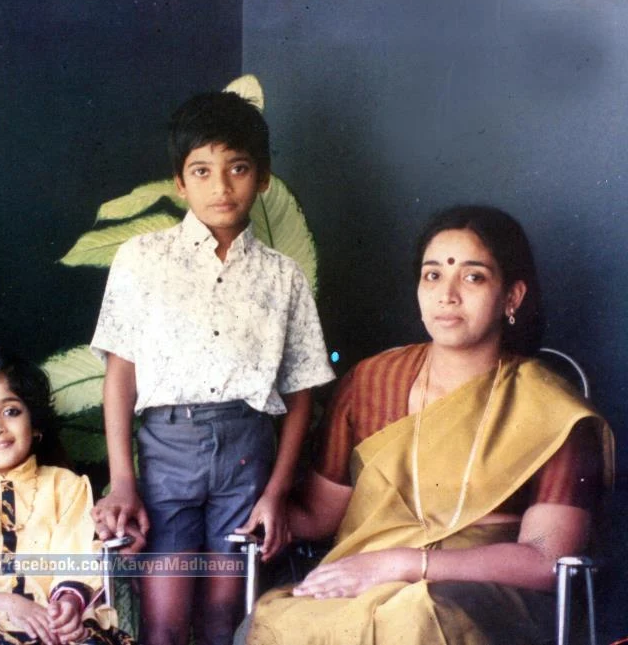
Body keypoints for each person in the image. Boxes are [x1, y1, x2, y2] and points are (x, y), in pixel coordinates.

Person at [244, 205, 616, 645]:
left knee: (415, 615)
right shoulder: (371, 383)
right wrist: (262, 494)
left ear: (512, 297)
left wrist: (404, 564)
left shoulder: (555, 412)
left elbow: (547, 559)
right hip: (363, 580)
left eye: (473, 277)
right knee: (278, 621)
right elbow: (319, 515)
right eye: (433, 275)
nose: (447, 295)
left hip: (486, 598)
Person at [89, 91, 335, 645]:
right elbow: (121, 375)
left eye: (238, 168)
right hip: (166, 454)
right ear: (180, 182)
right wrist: (124, 480)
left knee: (228, 615)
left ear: (262, 178)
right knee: (164, 619)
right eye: (202, 171)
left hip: (248, 455)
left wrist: (275, 492)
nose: (221, 186)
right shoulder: (142, 260)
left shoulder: (283, 277)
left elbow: (301, 394)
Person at [0, 345, 137, 645]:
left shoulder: (66, 486)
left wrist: (67, 609)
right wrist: (12, 604)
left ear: (35, 424)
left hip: (53, 620)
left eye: (11, 411)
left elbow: (75, 560)